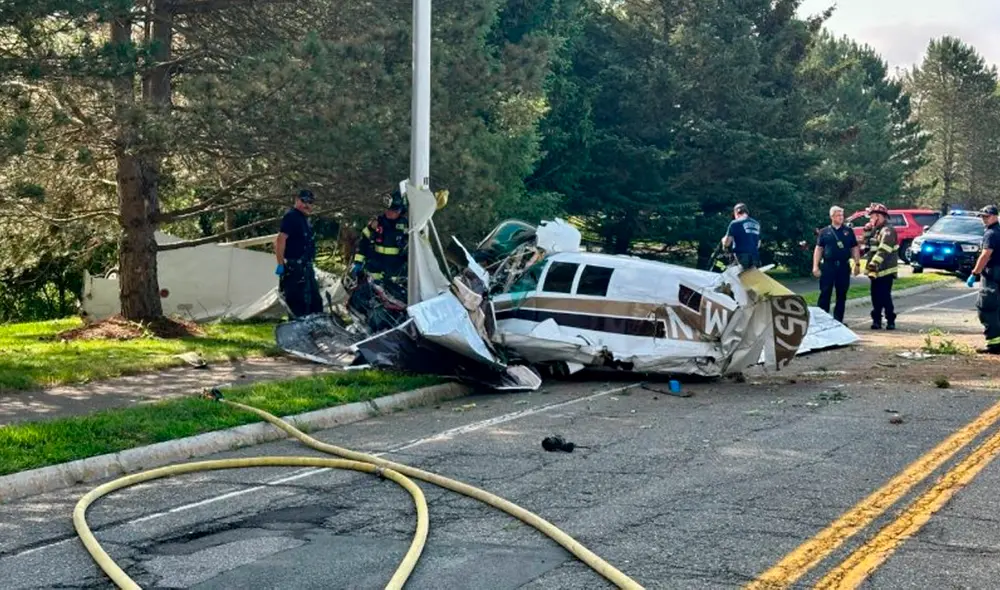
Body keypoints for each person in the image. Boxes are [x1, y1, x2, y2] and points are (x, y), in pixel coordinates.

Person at [274, 189, 323, 318]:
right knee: (298, 306)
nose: (307, 205)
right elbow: (280, 240)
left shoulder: (305, 219)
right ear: (296, 200)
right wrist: (280, 264)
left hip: (306, 268)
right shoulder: (292, 216)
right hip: (294, 268)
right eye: (304, 201)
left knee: (315, 303)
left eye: (310, 202)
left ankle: (315, 332)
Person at [351, 187, 410, 286]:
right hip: (375, 269)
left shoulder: (407, 226)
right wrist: (358, 262)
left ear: (400, 210)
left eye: (393, 210)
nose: (389, 212)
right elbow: (364, 242)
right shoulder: (377, 222)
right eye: (388, 209)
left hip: (395, 271)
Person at [813, 206, 862, 323]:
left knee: (841, 294)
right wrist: (815, 266)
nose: (841, 217)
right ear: (832, 217)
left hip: (843, 266)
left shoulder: (848, 231)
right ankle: (822, 320)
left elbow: (854, 247)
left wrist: (857, 263)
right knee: (825, 292)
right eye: (838, 215)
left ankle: (838, 320)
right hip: (828, 266)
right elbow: (819, 249)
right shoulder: (824, 232)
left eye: (842, 215)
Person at [967, 204, 1000, 354]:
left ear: (995, 216)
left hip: (992, 275)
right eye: (982, 217)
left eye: (986, 216)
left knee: (987, 307)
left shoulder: (991, 234)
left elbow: (985, 255)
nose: (984, 219)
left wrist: (974, 273)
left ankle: (994, 344)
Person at [862, 203, 899, 330]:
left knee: (884, 296)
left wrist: (874, 263)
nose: (870, 220)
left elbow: (883, 249)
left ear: (878, 216)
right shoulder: (876, 230)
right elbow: (868, 246)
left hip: (886, 269)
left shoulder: (887, 231)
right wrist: (867, 231)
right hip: (876, 270)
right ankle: (876, 320)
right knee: (875, 295)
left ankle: (890, 320)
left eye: (872, 217)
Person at [721, 203, 761, 269]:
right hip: (755, 257)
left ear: (736, 212)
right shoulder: (756, 224)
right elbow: (758, 244)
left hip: (741, 258)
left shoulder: (735, 223)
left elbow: (727, 243)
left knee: (735, 278)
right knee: (750, 278)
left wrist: (723, 240)